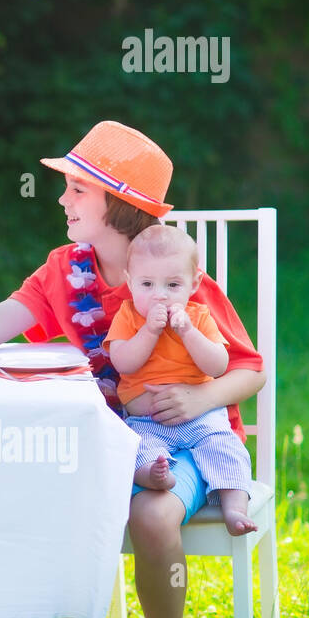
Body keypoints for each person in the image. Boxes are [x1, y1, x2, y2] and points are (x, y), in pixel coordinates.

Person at [0, 121, 265, 618]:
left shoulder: (173, 278)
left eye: (78, 189)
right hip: (100, 437)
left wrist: (200, 399)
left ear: (120, 204)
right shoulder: (63, 272)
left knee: (152, 515)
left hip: (188, 436)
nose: (63, 200)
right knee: (22, 491)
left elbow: (249, 369)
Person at [106, 224, 256, 536]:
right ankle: (154, 476)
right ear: (130, 282)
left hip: (201, 416)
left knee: (226, 449)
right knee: (133, 450)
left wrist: (188, 331)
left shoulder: (199, 316)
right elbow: (123, 362)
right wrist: (149, 331)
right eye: (147, 284)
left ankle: (235, 509)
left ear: (194, 283)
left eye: (173, 285)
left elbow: (218, 365)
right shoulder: (128, 317)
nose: (159, 295)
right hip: (147, 421)